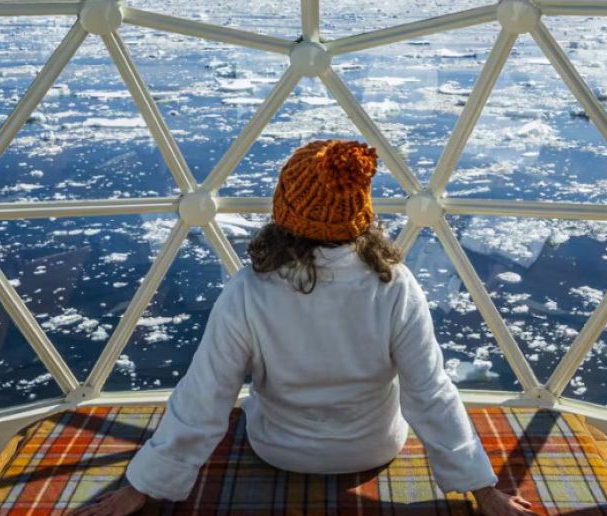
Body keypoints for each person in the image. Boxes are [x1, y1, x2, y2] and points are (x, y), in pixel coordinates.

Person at [75, 140, 534, 516]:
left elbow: (205, 394)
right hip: (373, 447)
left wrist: (140, 487)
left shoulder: (250, 289)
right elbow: (429, 393)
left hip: (279, 448)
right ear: (360, 210)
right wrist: (484, 490)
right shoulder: (394, 285)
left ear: (286, 208)